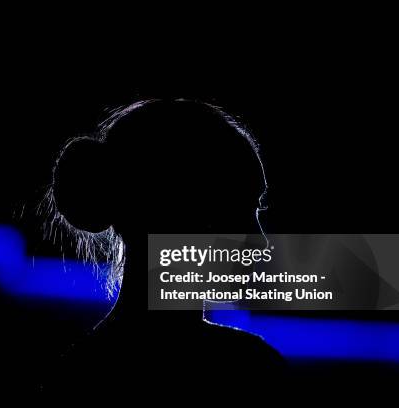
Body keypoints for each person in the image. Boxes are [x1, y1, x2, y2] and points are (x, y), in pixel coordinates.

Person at [42, 99, 285, 396]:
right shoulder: (251, 371)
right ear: (179, 212)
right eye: (235, 209)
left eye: (255, 209)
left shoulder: (77, 375)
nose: (260, 241)